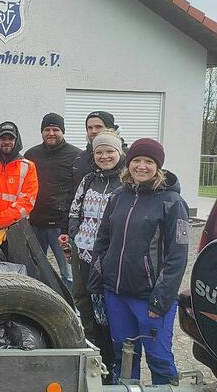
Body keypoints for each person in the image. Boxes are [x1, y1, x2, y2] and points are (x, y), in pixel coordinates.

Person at [88, 138, 189, 385]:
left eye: (148, 161)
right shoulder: (118, 197)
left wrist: (161, 299)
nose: (141, 166)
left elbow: (177, 257)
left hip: (150, 298)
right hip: (116, 295)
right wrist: (98, 281)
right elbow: (102, 241)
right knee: (123, 357)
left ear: (158, 166)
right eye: (136, 160)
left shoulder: (173, 203)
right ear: (128, 163)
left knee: (159, 358)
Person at [65, 130, 124, 381]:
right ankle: (91, 353)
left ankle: (112, 361)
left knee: (106, 307)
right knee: (83, 301)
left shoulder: (125, 181)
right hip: (83, 252)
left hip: (109, 255)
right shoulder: (88, 180)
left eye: (109, 151)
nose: (104, 156)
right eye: (99, 152)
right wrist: (75, 237)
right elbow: (74, 211)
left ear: (119, 153)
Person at [24, 113, 81, 289]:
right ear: (42, 132)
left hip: (60, 225)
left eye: (55, 129)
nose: (51, 133)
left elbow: (78, 190)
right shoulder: (31, 154)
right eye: (47, 129)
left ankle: (72, 308)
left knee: (68, 272)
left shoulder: (76, 155)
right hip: (36, 222)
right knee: (35, 268)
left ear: (62, 131)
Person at [73, 111, 119, 190]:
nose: (93, 131)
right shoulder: (80, 158)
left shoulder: (127, 156)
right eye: (90, 128)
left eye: (98, 127)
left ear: (110, 128)